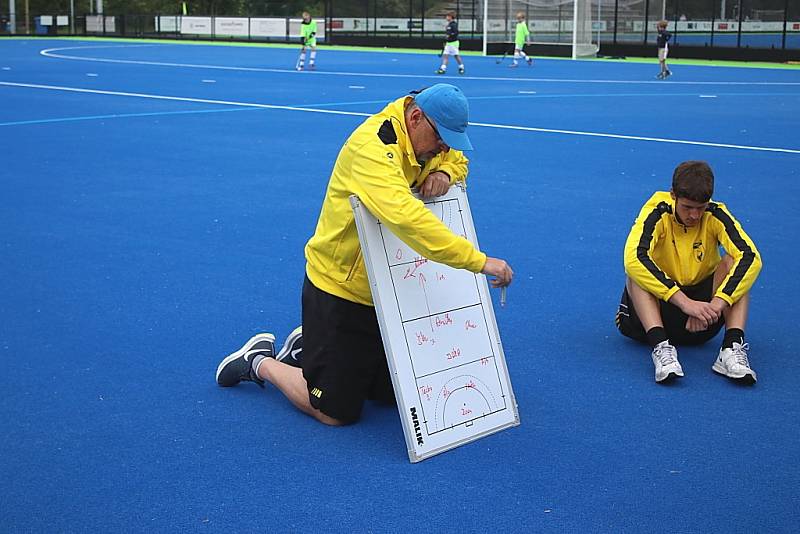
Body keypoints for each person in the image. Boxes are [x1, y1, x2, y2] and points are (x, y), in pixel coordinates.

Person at [216, 84, 514, 425]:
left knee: (389, 396)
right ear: (416, 117)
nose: (442, 148)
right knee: (334, 412)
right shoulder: (373, 146)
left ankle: (308, 344)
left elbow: (458, 159)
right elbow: (406, 218)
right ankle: (260, 362)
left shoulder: (427, 143)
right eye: (440, 140)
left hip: (386, 286)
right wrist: (478, 261)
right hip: (341, 286)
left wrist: (445, 172)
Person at [615, 161, 762, 384]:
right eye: (687, 207)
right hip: (651, 319)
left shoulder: (715, 214)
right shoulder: (657, 211)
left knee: (734, 262)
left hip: (703, 318)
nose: (694, 215)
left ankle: (731, 347)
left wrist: (717, 304)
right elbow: (633, 257)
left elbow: (751, 257)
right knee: (636, 272)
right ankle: (661, 348)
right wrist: (685, 303)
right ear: (673, 195)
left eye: (700, 207)